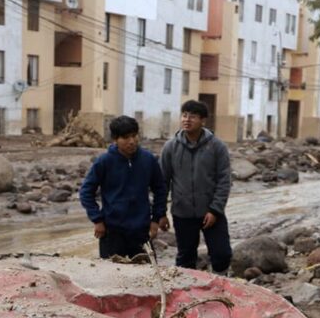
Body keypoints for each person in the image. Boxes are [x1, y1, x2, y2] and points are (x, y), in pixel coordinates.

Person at [79, 116, 168, 260]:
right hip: (112, 231)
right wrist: (97, 220)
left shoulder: (148, 159)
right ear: (115, 139)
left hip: (141, 230)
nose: (131, 141)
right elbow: (85, 192)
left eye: (134, 136)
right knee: (112, 276)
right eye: (126, 137)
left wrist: (156, 219)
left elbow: (160, 189)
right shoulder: (104, 161)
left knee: (147, 275)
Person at [159, 100, 233, 274]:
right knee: (185, 257)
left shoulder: (216, 147)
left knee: (222, 254)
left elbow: (224, 180)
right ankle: (187, 294)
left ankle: (221, 287)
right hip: (182, 212)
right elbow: (162, 182)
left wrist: (215, 210)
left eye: (192, 116)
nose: (187, 119)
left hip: (211, 212)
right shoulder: (170, 147)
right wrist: (160, 212)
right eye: (184, 115)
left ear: (203, 121)